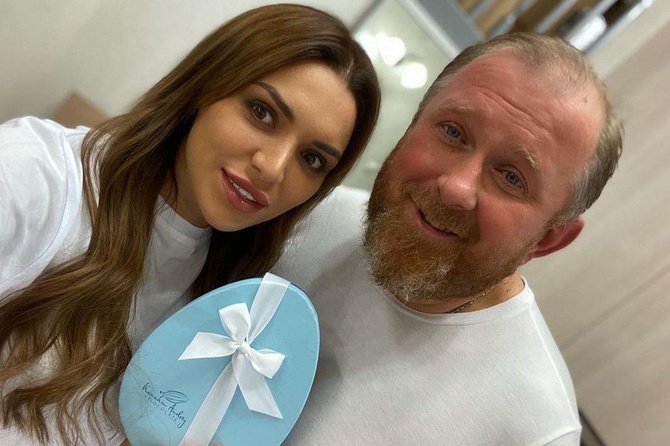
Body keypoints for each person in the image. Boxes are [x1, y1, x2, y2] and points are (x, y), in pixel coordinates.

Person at [0, 4, 380, 445]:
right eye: (262, 113)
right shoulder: (37, 174)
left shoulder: (238, 310)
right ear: (206, 85)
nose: (273, 168)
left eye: (311, 159)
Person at [272, 32, 623, 445]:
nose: (457, 187)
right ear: (413, 123)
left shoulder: (535, 429)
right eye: (453, 132)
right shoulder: (295, 217)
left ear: (548, 239)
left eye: (512, 177)